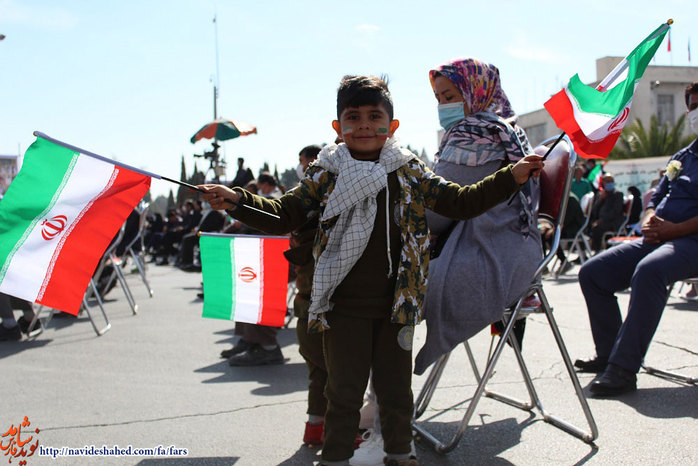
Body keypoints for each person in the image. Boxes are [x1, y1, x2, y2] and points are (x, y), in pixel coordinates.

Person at [200, 75, 543, 466]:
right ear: (338, 127)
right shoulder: (325, 173)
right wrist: (237, 200)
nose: (364, 125)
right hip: (341, 308)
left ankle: (400, 454)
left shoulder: (409, 170)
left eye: (374, 116)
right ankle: (335, 458)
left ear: (392, 126)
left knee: (396, 392)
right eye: (353, 117)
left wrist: (511, 176)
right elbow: (284, 214)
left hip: (398, 306)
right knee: (342, 393)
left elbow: (460, 202)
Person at [413, 57, 543, 376]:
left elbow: (436, 213)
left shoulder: (473, 135)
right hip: (520, 253)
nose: (443, 106)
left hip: (483, 255)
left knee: (385, 289)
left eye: (449, 96)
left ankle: (383, 397)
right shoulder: (509, 129)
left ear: (476, 92)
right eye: (439, 98)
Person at [574, 82, 698, 397]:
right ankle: (609, 356)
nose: (696, 113)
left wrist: (673, 230)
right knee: (592, 273)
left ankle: (623, 369)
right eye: (693, 107)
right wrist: (648, 218)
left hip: (691, 240)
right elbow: (656, 196)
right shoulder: (683, 156)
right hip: (659, 237)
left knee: (650, 270)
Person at [282, 144, 327, 447]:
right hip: (317, 301)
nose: (303, 166)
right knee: (334, 370)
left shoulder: (303, 202)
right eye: (301, 162)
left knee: (320, 369)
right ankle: (333, 428)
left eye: (307, 161)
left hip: (308, 300)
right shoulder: (308, 203)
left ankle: (315, 426)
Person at [588, 173, 625, 252]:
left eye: (611, 181)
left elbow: (615, 211)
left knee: (597, 227)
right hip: (601, 221)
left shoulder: (618, 194)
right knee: (588, 225)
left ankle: (597, 250)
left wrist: (601, 220)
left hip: (613, 222)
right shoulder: (600, 194)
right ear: (603, 183)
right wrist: (600, 200)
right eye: (607, 181)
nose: (609, 183)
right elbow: (594, 211)